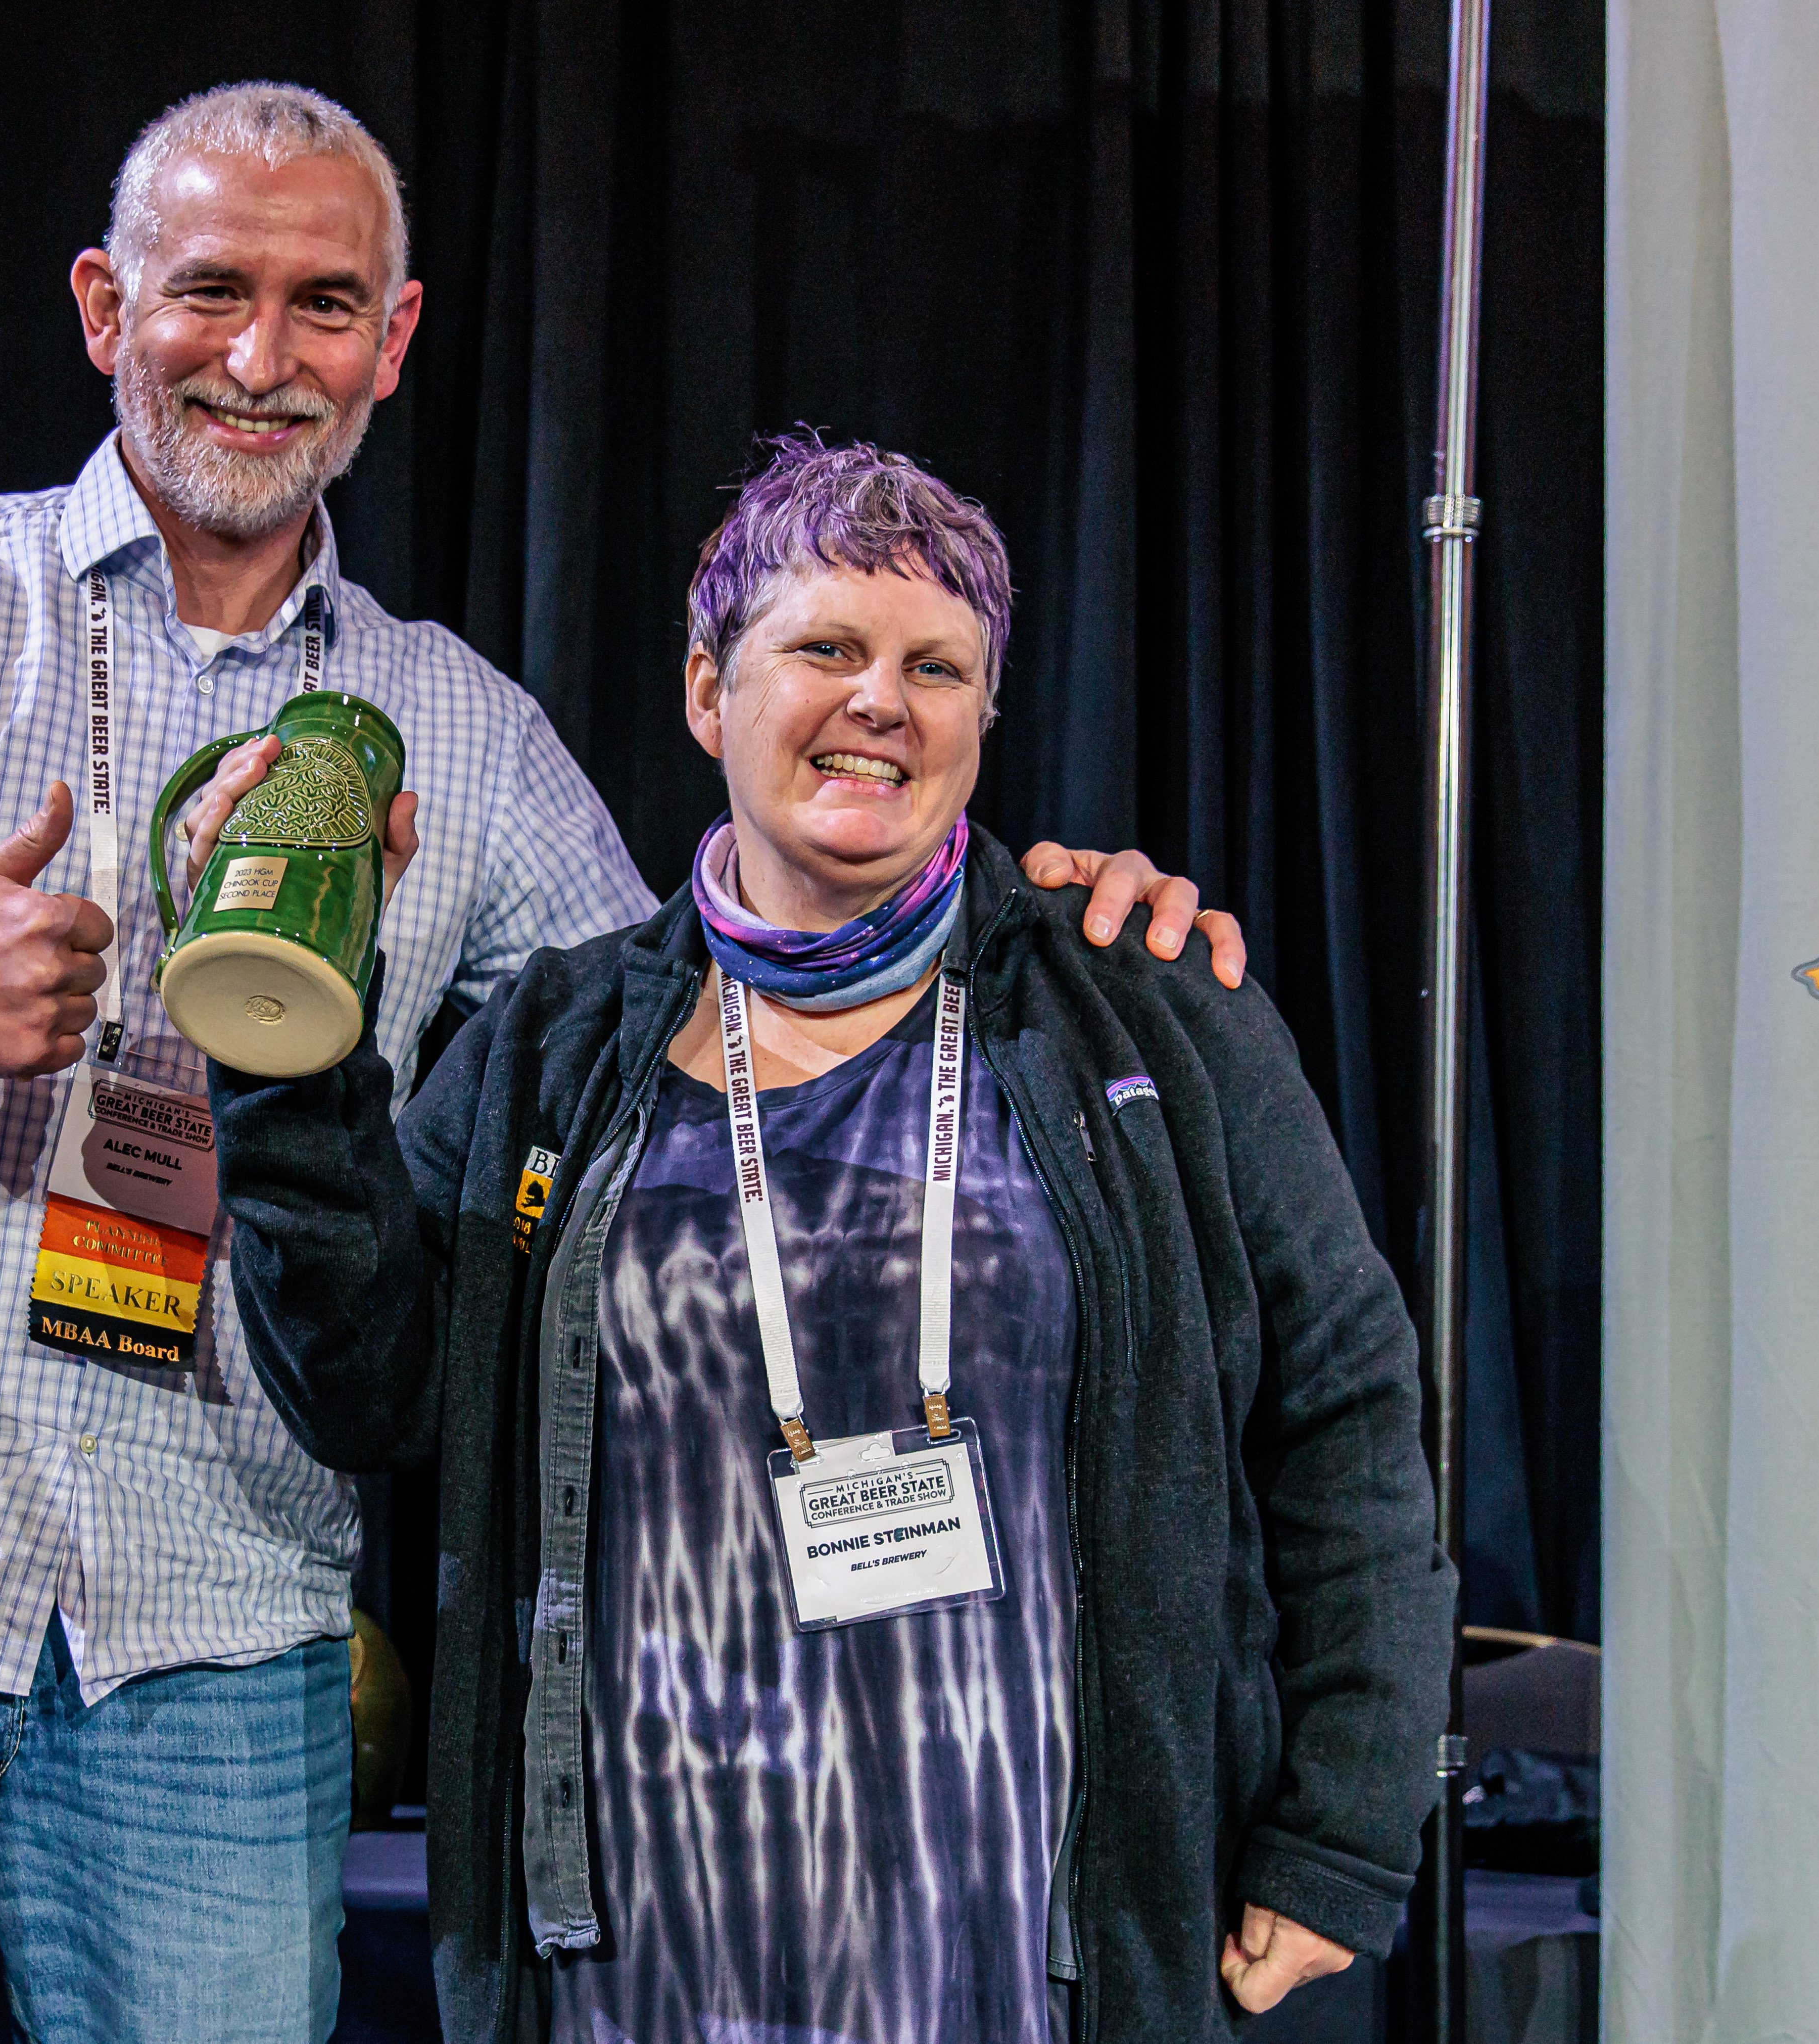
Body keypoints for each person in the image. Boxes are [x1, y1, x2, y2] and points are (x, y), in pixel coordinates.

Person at [0, 84, 1236, 2044]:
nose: (261, 360)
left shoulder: (463, 729)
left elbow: (723, 1035)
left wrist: (1040, 917)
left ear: (398, 342)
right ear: (104, 306)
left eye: (323, 304)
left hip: (216, 1625)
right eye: (209, 293)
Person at [211, 435, 1452, 2043]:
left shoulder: (1147, 1011)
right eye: (827, 649)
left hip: (1025, 1950)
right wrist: (287, 1067)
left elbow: (1345, 1409)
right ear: (707, 693)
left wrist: (1345, 1822)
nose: (883, 700)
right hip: (639, 1948)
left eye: (938, 666)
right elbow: (370, 1393)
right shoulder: (551, 1045)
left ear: (983, 719)